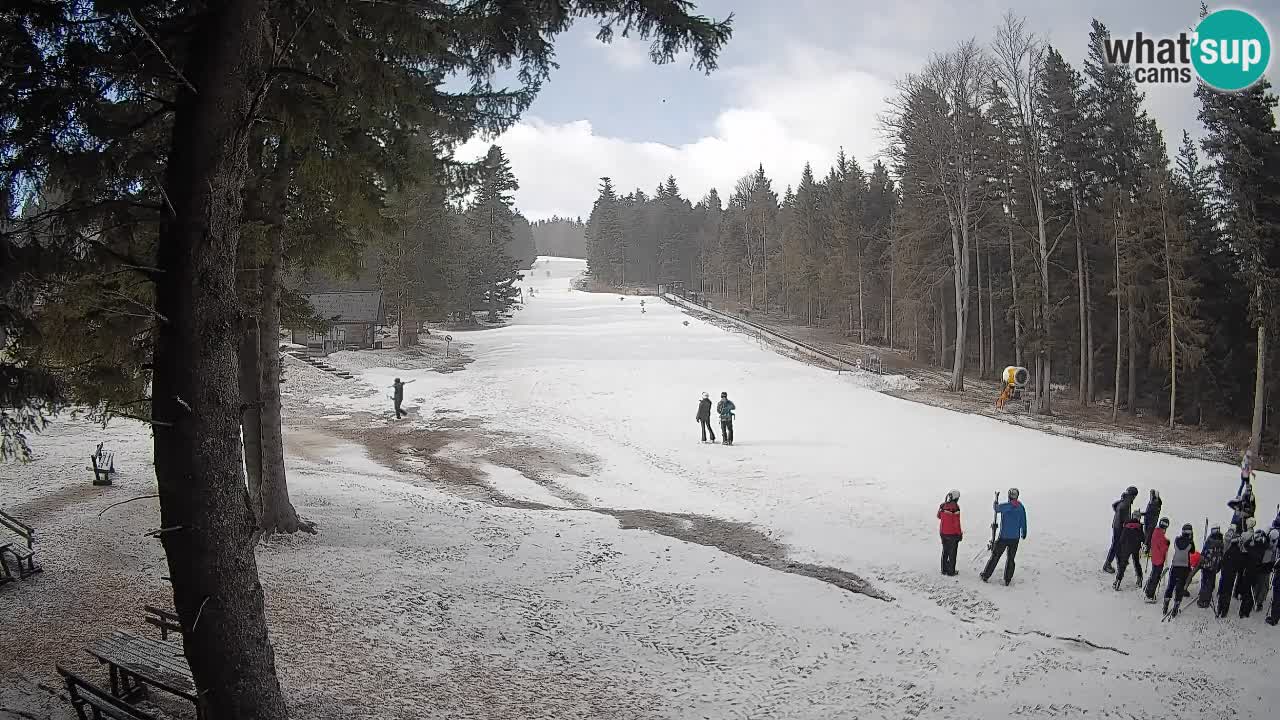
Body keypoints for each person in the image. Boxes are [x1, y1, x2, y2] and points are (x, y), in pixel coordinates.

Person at [981, 488, 1027, 586]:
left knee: (995, 556)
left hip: (1004, 537)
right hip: (1015, 538)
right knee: (1011, 558)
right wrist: (1024, 532)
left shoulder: (1007, 506)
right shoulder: (1021, 507)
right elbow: (1023, 521)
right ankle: (1007, 579)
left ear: (1009, 496)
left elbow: (996, 508)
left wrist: (995, 501)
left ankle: (986, 575)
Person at [1163, 524, 1196, 617]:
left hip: (1175, 566)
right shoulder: (1190, 542)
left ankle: (1166, 604)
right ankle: (1176, 607)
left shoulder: (1177, 540)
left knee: (1171, 585)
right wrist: (1191, 539)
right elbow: (1193, 551)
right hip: (1184, 567)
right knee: (1180, 587)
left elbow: (1179, 548)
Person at [1104, 486, 1139, 573]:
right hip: (1119, 528)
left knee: (1118, 545)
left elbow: (1114, 505)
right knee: (1116, 546)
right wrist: (1135, 521)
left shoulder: (1123, 500)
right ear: (1133, 495)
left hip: (1116, 525)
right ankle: (1107, 564)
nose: (1135, 498)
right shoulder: (1126, 504)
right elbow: (1126, 521)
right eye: (1135, 496)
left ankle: (1120, 562)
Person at [1239, 518, 1269, 618]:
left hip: (1248, 572)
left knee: (1247, 592)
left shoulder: (1253, 547)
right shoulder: (1262, 548)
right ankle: (1246, 612)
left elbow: (1246, 544)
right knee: (1252, 593)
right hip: (1256, 573)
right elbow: (1266, 545)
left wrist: (1251, 539)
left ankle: (1243, 611)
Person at [1217, 527, 1246, 618]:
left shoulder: (1228, 551)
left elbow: (1223, 561)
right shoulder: (1239, 553)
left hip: (1225, 573)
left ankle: (1219, 608)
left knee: (1222, 592)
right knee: (1228, 593)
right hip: (1232, 575)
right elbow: (1240, 566)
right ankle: (1224, 611)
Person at [1113, 511, 1146, 591]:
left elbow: (1122, 538)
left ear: (1132, 516)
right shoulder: (1139, 526)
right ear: (1139, 518)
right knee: (1136, 562)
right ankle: (1139, 579)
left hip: (1126, 548)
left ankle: (1118, 581)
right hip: (1136, 548)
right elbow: (1143, 538)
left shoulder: (1127, 525)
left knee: (1123, 564)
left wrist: (1121, 546)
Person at [1197, 526, 1225, 609]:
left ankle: (1202, 600)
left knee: (1205, 582)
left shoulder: (1209, 542)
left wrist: (1201, 561)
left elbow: (1204, 553)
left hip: (1206, 565)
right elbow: (1221, 554)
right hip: (1214, 566)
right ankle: (1207, 598)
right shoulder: (1221, 542)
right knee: (1210, 582)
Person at [1143, 517, 1170, 600]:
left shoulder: (1156, 531)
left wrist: (1165, 541)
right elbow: (1163, 548)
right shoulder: (1161, 535)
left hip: (1155, 557)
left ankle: (1148, 589)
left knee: (1154, 574)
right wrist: (1167, 544)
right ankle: (1150, 594)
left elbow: (1159, 541)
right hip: (1159, 559)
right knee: (1156, 576)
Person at [937, 490, 963, 577]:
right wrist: (959, 534)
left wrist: (942, 509)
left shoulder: (943, 505)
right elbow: (956, 523)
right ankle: (951, 571)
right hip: (953, 534)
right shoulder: (956, 507)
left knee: (945, 551)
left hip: (943, 533)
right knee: (952, 553)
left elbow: (938, 516)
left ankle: (944, 570)